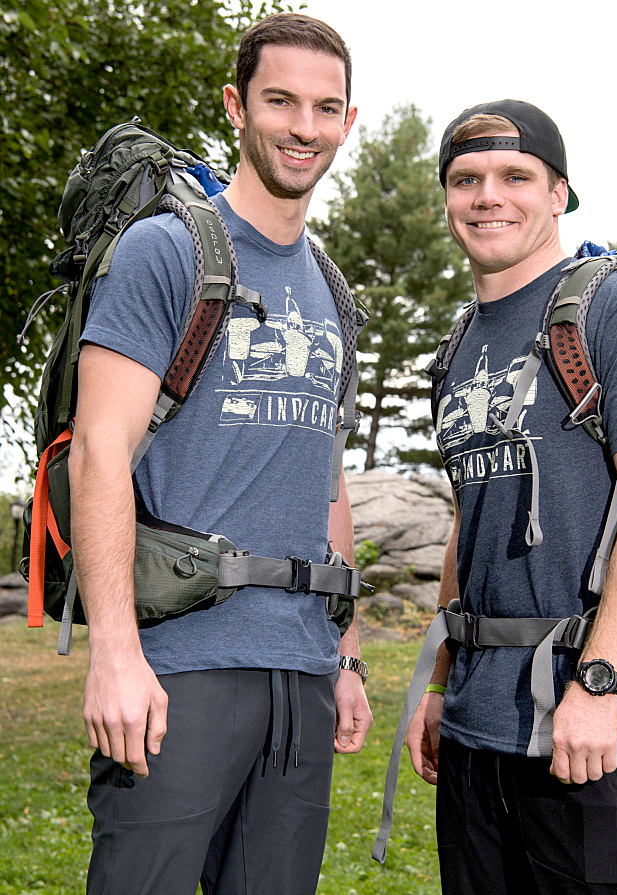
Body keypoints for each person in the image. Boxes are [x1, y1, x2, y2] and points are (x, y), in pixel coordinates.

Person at [69, 14, 371, 895]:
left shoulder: (332, 288)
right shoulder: (166, 251)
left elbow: (326, 479)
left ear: (348, 122)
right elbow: (100, 450)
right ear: (238, 106)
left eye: (325, 108)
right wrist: (114, 653)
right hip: (180, 666)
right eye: (280, 101)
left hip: (302, 672)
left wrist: (345, 653)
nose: (303, 127)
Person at [405, 99, 617, 895]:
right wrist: (439, 683)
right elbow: (469, 520)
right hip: (475, 729)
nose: (487, 196)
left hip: (590, 725)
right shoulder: (458, 345)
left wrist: (601, 682)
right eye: (465, 179)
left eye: (514, 176)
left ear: (558, 193)